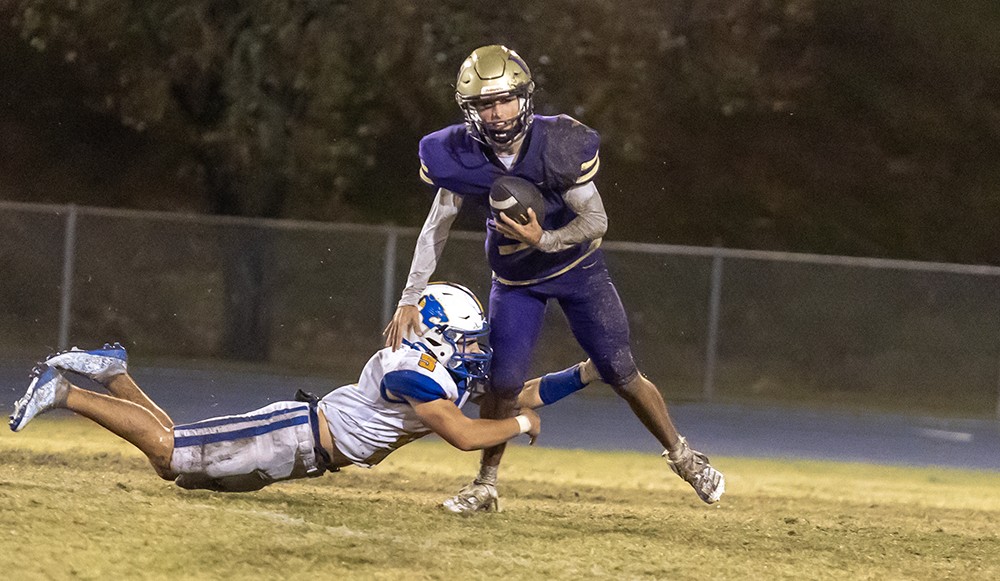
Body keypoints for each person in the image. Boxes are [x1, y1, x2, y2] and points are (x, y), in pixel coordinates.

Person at [384, 45, 725, 512]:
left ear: (525, 98)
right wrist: (410, 296)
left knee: (622, 372)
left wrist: (542, 239)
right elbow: (435, 229)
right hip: (515, 282)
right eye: (486, 103)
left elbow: (597, 221)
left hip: (578, 270)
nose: (498, 112)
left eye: (505, 99)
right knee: (503, 384)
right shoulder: (455, 154)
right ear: (470, 110)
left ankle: (683, 456)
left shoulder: (560, 143)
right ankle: (486, 483)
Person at [9, 282, 598, 493]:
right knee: (172, 451)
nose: (477, 352)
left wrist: (587, 373)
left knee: (175, 464)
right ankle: (63, 392)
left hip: (306, 449)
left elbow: (517, 394)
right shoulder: (412, 373)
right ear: (439, 336)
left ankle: (114, 373)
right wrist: (520, 428)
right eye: (467, 341)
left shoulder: (437, 373)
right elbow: (468, 436)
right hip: (295, 435)